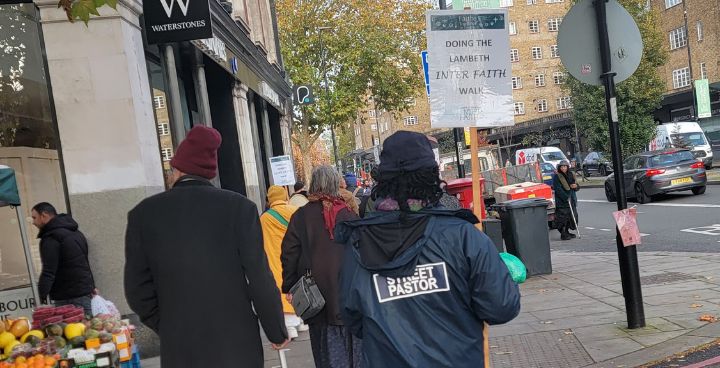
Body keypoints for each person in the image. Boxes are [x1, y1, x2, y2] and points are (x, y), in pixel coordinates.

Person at [334, 131, 520, 368]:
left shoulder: (358, 243)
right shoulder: (464, 237)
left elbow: (353, 318)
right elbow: (501, 307)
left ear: (383, 180)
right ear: (433, 175)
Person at [124, 126, 288, 367]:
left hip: (181, 347)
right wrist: (275, 329)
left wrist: (168, 325)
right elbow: (259, 277)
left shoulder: (143, 214)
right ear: (209, 172)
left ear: (176, 170)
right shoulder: (240, 209)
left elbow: (137, 289)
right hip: (237, 343)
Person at [281, 166, 361, 368]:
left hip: (317, 297)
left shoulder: (300, 216)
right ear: (335, 185)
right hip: (349, 296)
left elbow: (289, 253)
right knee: (355, 353)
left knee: (325, 351)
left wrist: (289, 285)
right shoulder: (349, 215)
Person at [31, 202, 95, 316]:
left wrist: (41, 297)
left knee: (71, 331)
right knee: (89, 330)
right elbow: (84, 262)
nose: (33, 222)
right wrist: (92, 286)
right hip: (84, 292)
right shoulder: (75, 232)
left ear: (44, 216)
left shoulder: (51, 238)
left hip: (67, 297)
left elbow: (48, 271)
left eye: (34, 218)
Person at [260, 185, 305, 339]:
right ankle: (301, 319)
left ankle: (290, 326)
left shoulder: (264, 218)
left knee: (282, 288)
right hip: (294, 257)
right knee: (298, 285)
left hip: (274, 258)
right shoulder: (295, 211)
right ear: (285, 196)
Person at [553, 160, 580, 240]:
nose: (564, 168)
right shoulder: (557, 176)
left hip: (571, 199)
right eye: (562, 167)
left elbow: (576, 185)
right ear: (559, 168)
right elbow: (558, 189)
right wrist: (565, 197)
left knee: (571, 216)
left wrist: (576, 186)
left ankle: (567, 231)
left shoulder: (571, 174)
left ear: (567, 167)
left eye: (565, 166)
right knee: (563, 217)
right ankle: (563, 233)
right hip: (562, 201)